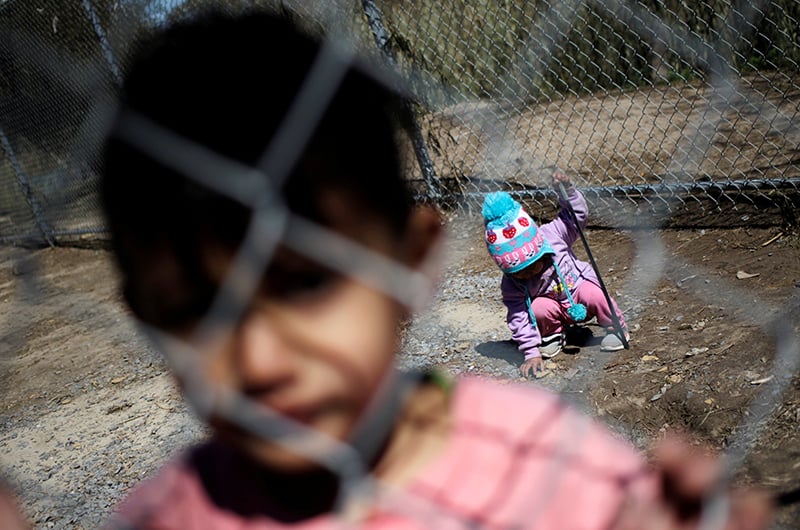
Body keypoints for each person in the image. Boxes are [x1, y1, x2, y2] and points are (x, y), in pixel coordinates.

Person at [84, 7, 772, 530]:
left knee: (587, 291)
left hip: (576, 297)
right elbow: (514, 314)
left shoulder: (553, 463)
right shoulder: (166, 515)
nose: (260, 361)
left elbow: (574, 221)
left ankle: (604, 320)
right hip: (546, 314)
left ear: (410, 264)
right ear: (145, 313)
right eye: (197, 311)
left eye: (308, 281)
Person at [482, 173, 630, 378]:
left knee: (594, 293)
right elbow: (519, 316)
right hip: (553, 307)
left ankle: (616, 327)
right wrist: (530, 352)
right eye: (520, 272)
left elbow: (576, 218)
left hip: (579, 293)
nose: (529, 273)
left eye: (533, 265)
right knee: (537, 308)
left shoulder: (552, 235)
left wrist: (568, 193)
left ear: (541, 248)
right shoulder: (511, 282)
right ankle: (552, 334)